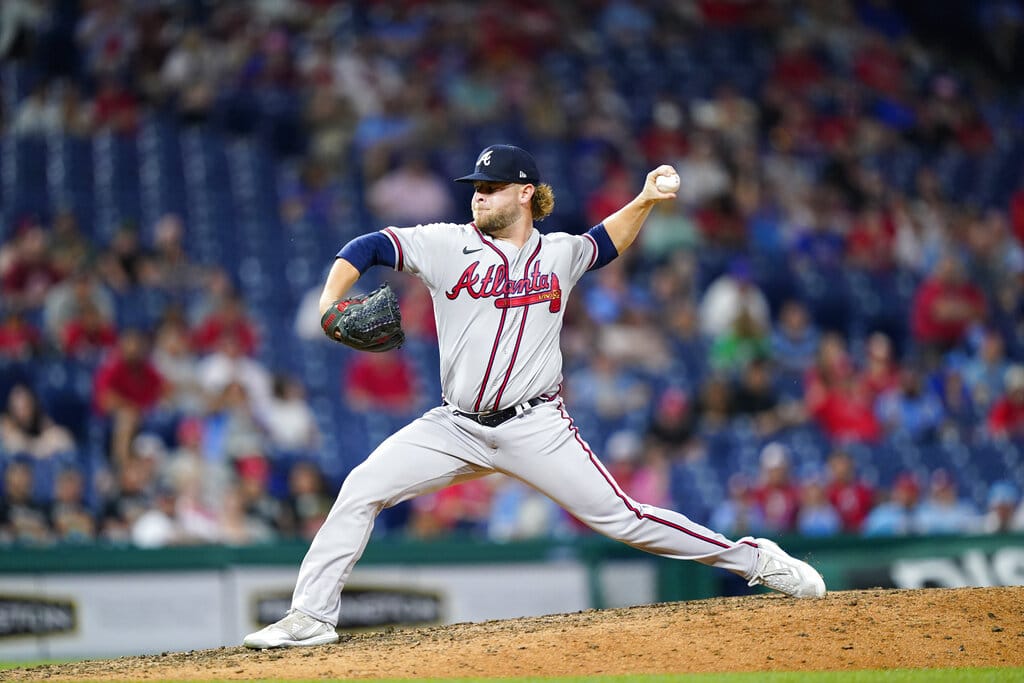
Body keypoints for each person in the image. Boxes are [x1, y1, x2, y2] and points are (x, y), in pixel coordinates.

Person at [243, 144, 825, 649]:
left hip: (535, 426)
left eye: (491, 189)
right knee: (360, 489)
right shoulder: (445, 244)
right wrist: (327, 302)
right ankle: (311, 617)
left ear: (525, 194)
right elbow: (367, 246)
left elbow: (605, 242)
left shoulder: (559, 253)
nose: (478, 197)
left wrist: (644, 199)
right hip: (455, 425)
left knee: (625, 519)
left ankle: (756, 559)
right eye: (475, 188)